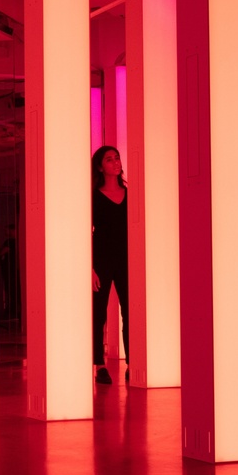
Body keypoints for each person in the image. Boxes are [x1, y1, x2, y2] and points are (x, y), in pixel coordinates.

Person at [92, 144, 128, 385]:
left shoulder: (130, 194)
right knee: (98, 313)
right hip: (101, 259)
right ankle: (99, 364)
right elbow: (87, 231)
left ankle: (133, 362)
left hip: (127, 259)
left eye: (117, 158)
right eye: (109, 159)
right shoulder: (94, 196)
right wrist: (90, 268)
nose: (115, 162)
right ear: (100, 166)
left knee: (131, 312)